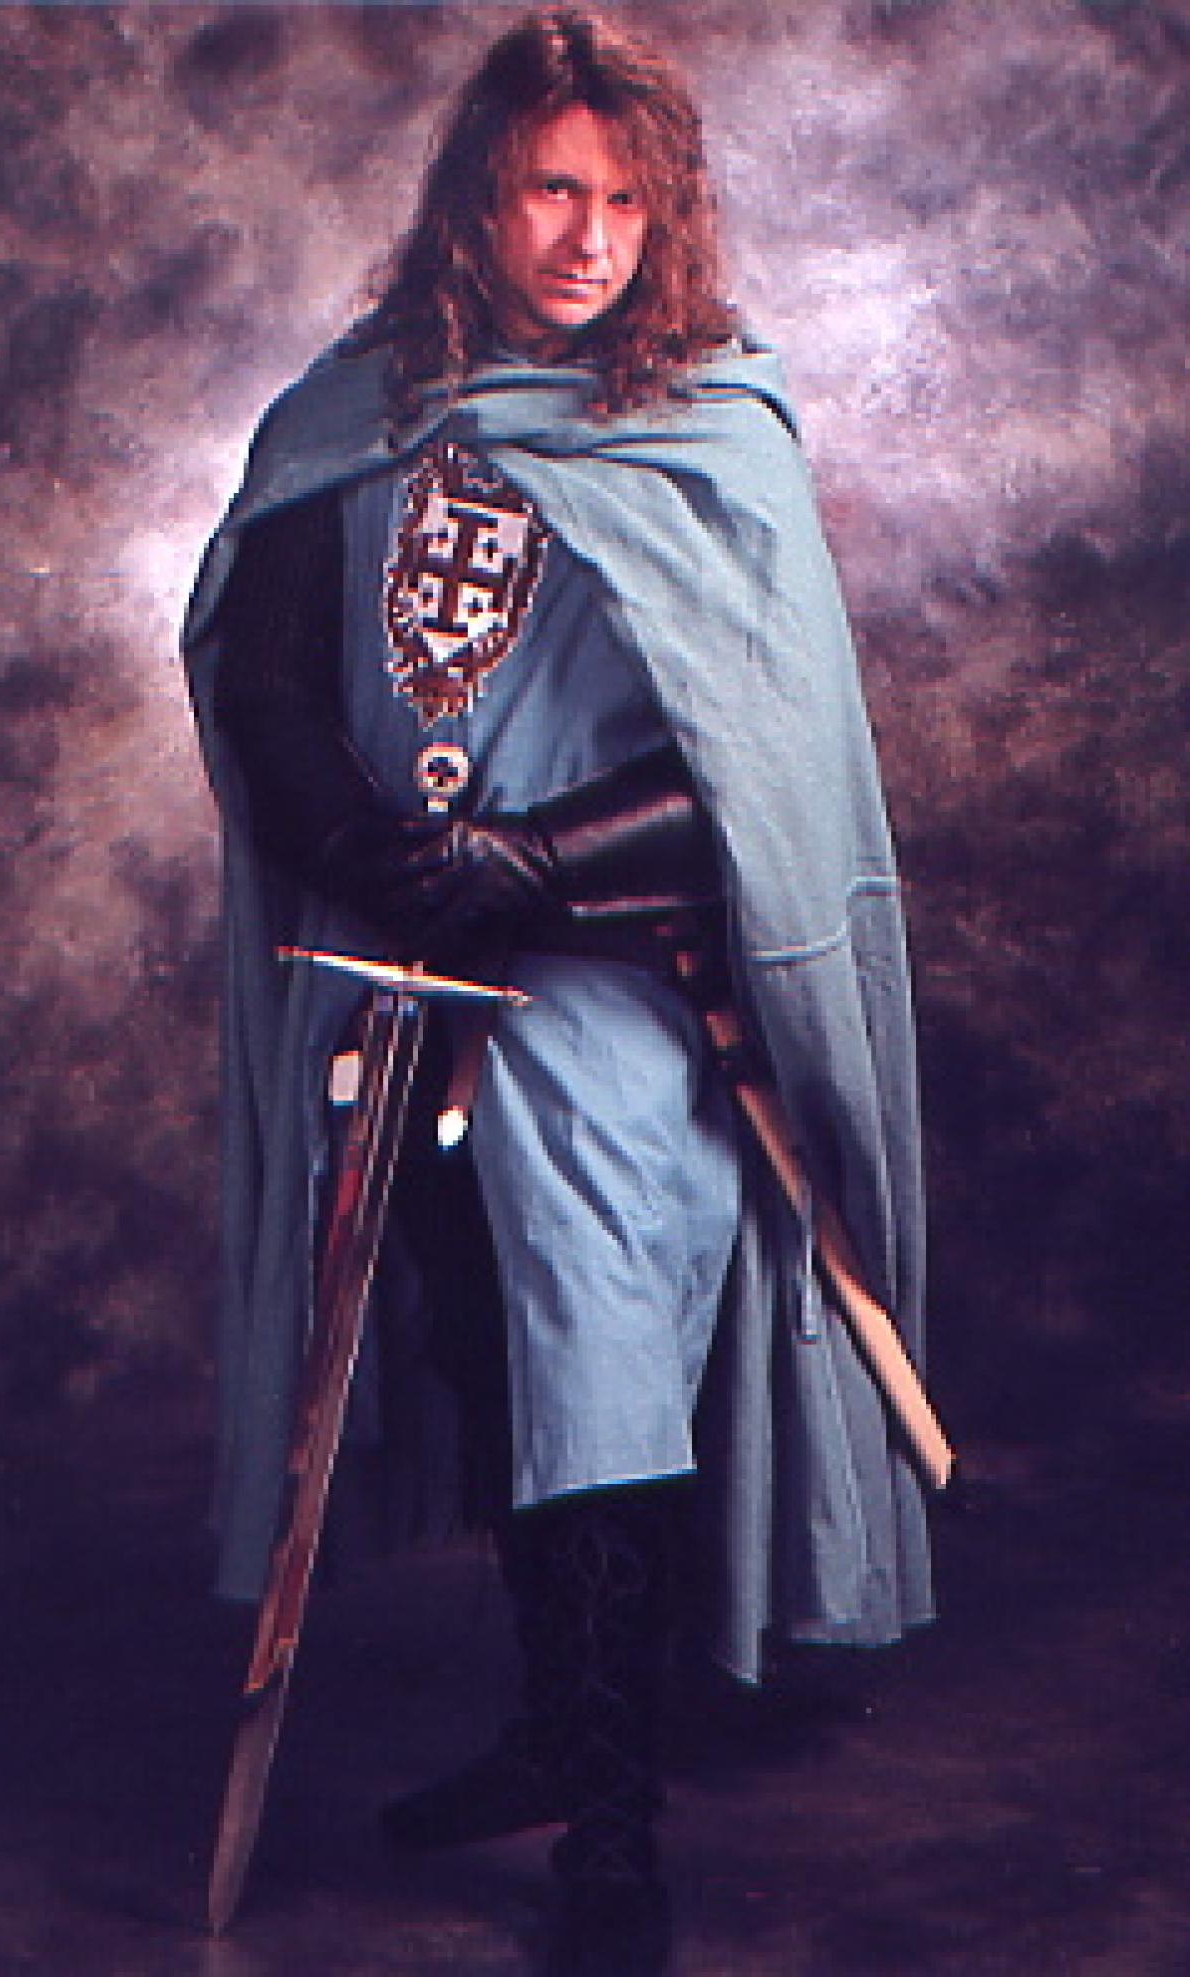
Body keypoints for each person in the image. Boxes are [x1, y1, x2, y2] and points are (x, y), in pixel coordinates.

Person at [182, 11, 934, 1972]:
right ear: (477, 199)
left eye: (625, 200)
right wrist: (374, 851)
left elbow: (764, 760)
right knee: (484, 1346)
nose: (589, 237)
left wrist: (537, 859)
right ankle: (549, 1718)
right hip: (398, 971)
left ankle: (612, 1817)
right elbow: (268, 678)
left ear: (662, 215)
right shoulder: (358, 410)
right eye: (549, 189)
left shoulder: (707, 424)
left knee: (594, 1327)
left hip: (608, 978)